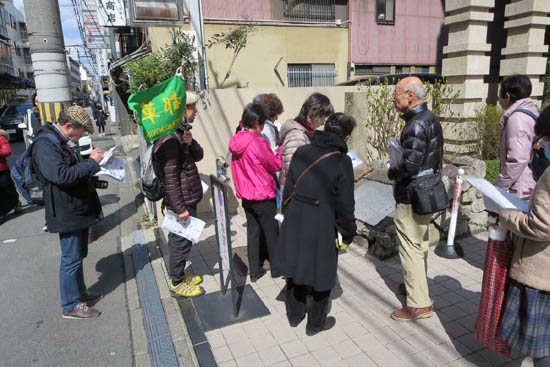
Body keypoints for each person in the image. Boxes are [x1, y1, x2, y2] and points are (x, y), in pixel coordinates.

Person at [275, 113, 356, 336]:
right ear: (346, 137)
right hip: (323, 222)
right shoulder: (342, 161)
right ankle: (315, 324)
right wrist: (347, 232)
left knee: (295, 265)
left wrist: (287, 215)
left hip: (296, 218)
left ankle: (294, 316)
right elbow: (346, 205)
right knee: (323, 274)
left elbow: (288, 187)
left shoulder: (302, 152)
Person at [31, 105, 104, 319]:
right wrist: (91, 163)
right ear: (68, 125)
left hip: (75, 206)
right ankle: (71, 304)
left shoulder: (59, 140)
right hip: (65, 209)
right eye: (81, 131)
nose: (82, 135)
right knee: (71, 257)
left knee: (78, 254)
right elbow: (62, 175)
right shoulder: (45, 144)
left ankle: (80, 294)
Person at [387, 76, 443, 321]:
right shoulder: (429, 118)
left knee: (410, 247)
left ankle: (418, 303)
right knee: (419, 244)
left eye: (396, 93)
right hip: (426, 191)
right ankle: (415, 285)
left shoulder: (416, 124)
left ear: (410, 96)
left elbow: (409, 164)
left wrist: (392, 169)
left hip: (412, 194)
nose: (393, 98)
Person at [499, 105, 550, 366]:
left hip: (541, 272)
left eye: (544, 138)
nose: (541, 145)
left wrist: (508, 215)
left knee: (540, 345)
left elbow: (541, 226)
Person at [154, 91, 205, 298]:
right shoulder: (170, 140)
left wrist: (190, 142)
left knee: (181, 239)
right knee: (180, 241)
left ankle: (180, 273)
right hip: (181, 199)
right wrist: (180, 207)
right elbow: (170, 178)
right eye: (193, 108)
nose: (196, 112)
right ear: (183, 110)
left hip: (186, 195)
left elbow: (199, 156)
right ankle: (176, 282)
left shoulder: (179, 134)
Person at [229, 103, 282, 281]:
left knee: (253, 233)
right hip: (263, 195)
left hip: (247, 196)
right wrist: (280, 150)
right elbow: (275, 164)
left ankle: (255, 271)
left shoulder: (236, 140)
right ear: (257, 123)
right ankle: (277, 269)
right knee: (271, 233)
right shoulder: (258, 142)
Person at [279, 93, 334, 197]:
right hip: (296, 200)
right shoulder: (297, 137)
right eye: (323, 118)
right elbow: (295, 173)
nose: (322, 123)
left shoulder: (305, 133)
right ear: (313, 114)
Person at [495, 75, 539, 200]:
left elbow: (517, 160)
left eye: (499, 94)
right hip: (533, 183)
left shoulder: (517, 119)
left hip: (520, 189)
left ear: (507, 96)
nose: (498, 98)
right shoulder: (533, 113)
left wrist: (498, 188)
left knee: (512, 219)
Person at [258, 93, 284, 210]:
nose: (277, 118)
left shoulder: (259, 125)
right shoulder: (268, 128)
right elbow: (272, 156)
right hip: (268, 176)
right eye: (276, 115)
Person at [0, 129, 21, 221]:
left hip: (2, 169)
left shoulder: (1, 138)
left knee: (7, 188)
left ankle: (16, 202)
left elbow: (7, 151)